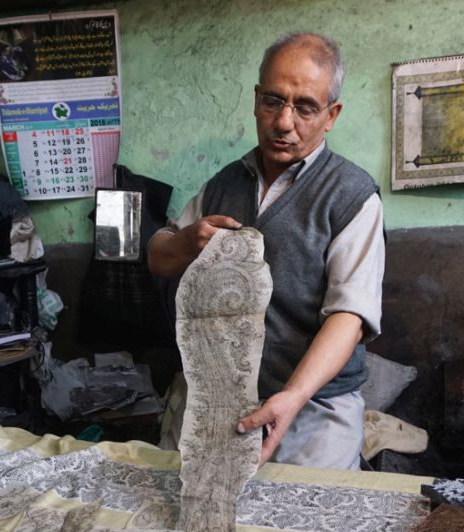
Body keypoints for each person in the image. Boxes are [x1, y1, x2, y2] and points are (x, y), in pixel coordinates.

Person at [147, 32, 384, 470]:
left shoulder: (352, 195)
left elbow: (349, 317)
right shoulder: (224, 184)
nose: (283, 122)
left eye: (305, 107)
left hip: (312, 411)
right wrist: (185, 242)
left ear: (332, 115)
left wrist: (292, 397)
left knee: (305, 528)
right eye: (273, 101)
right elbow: (159, 258)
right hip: (215, 400)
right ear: (256, 99)